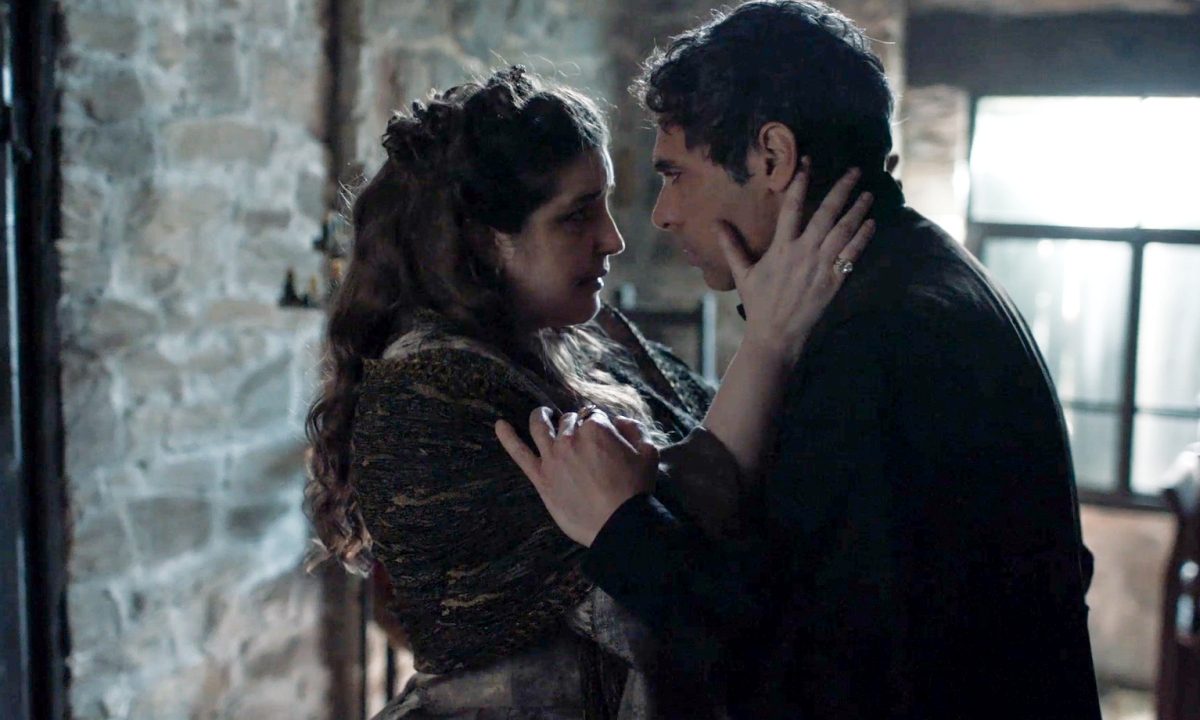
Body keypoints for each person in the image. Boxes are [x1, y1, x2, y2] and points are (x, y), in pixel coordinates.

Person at [496, 2, 1103, 718]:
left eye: (676, 173)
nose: (660, 214)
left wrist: (623, 530)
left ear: (772, 157)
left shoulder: (879, 338)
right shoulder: (910, 276)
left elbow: (813, 673)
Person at [304, 65, 872, 718]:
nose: (614, 239)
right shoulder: (432, 398)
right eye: (577, 216)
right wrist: (768, 341)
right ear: (485, 241)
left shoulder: (584, 337)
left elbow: (702, 465)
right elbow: (674, 566)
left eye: (604, 204)